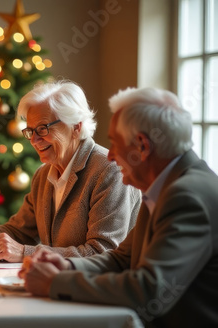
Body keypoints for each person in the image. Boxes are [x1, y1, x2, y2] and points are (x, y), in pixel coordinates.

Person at [18, 87, 218, 327]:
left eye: (115, 143)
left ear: (142, 146)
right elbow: (122, 259)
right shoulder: (166, 186)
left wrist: (55, 284)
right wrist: (67, 266)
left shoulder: (185, 195)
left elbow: (149, 289)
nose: (110, 155)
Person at [0, 81, 141, 262]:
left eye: (43, 128)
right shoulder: (43, 174)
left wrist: (25, 252)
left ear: (76, 127)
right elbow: (18, 231)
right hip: (56, 283)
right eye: (30, 131)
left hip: (97, 294)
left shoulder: (109, 171)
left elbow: (103, 253)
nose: (34, 141)